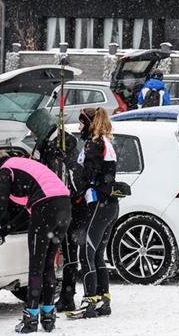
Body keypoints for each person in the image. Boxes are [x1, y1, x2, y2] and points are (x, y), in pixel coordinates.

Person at [0, 148, 71, 333]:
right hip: (64, 206)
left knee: (36, 267)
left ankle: (30, 319)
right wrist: (3, 232)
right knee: (47, 264)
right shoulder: (23, 166)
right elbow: (27, 213)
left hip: (46, 206)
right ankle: (48, 317)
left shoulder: (6, 169)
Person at [25, 109, 88, 313]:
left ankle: (67, 297)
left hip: (69, 205)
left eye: (34, 131)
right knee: (62, 253)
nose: (34, 136)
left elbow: (66, 173)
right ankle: (57, 296)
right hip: (63, 203)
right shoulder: (53, 142)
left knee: (69, 252)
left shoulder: (62, 143)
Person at [69, 107, 119, 319]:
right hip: (109, 205)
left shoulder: (95, 144)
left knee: (86, 252)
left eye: (81, 123)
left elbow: (87, 176)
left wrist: (69, 162)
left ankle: (89, 301)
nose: (79, 127)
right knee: (97, 253)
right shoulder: (104, 142)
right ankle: (103, 299)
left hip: (100, 204)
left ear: (89, 124)